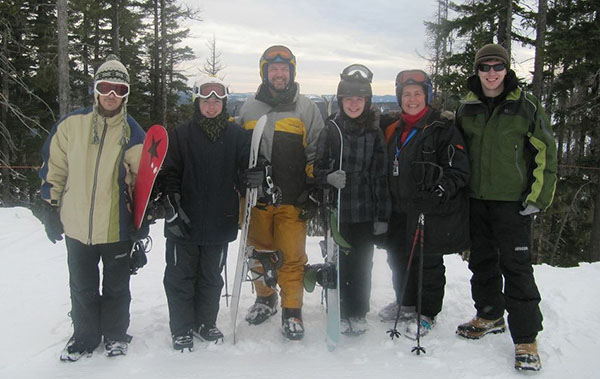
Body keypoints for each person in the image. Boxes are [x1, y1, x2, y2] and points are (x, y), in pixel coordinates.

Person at [454, 44, 557, 372]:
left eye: (498, 66)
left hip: (512, 204)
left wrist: (537, 197)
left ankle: (526, 338)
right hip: (476, 200)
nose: (492, 73)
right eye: (485, 67)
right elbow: (456, 153)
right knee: (482, 262)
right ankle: (489, 314)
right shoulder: (466, 108)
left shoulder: (525, 106)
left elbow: (546, 152)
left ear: (506, 69)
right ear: (478, 71)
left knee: (516, 267)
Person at [39, 55, 145, 361]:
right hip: (75, 225)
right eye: (106, 87)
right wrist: (50, 205)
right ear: (95, 90)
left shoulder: (133, 132)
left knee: (116, 287)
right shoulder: (72, 126)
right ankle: (84, 336)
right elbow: (54, 168)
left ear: (126, 94)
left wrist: (142, 218)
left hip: (116, 226)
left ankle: (115, 334)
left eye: (120, 89)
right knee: (82, 286)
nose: (112, 95)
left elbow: (142, 181)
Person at [237, 45, 325, 340]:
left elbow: (316, 151)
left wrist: (313, 188)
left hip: (292, 198)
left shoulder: (306, 108)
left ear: (291, 72)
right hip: (257, 199)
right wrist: (241, 178)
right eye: (273, 69)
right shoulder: (249, 108)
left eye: (284, 69)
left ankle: (292, 310)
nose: (278, 74)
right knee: (259, 253)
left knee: (291, 257)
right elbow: (238, 152)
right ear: (265, 72)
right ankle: (265, 298)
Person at [158, 77, 251, 351]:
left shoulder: (236, 136)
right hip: (184, 221)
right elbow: (170, 172)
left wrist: (255, 175)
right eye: (206, 101)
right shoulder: (181, 134)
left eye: (217, 102)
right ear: (197, 103)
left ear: (224, 104)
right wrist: (172, 205)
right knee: (180, 277)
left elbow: (247, 169)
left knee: (212, 276)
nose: (211, 106)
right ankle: (182, 327)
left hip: (219, 220)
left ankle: (205, 322)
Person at [377, 69, 470, 338]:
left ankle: (427, 311)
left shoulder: (442, 128)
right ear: (399, 98)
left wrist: (440, 189)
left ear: (427, 96)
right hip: (398, 208)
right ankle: (405, 303)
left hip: (429, 208)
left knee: (427, 262)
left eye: (418, 94)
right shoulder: (393, 127)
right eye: (406, 94)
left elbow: (459, 170)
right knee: (398, 258)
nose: (412, 99)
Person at [314, 64, 391, 334]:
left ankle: (358, 310)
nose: (354, 104)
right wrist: (328, 177)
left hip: (366, 208)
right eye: (349, 99)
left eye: (360, 99)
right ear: (341, 101)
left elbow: (381, 176)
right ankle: (340, 307)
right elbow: (317, 168)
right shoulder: (331, 129)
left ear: (367, 101)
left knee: (361, 261)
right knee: (340, 261)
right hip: (337, 209)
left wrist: (382, 216)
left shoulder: (374, 132)